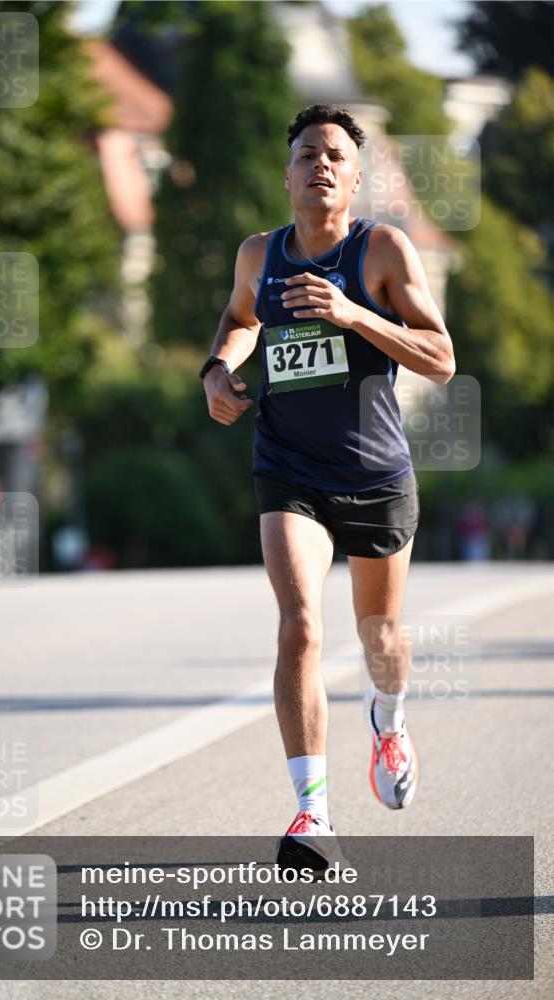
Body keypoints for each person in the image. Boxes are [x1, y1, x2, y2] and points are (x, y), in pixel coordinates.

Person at [200, 104, 455, 873]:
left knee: (380, 637)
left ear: (354, 176)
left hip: (374, 473)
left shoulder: (380, 249)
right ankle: (311, 812)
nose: (319, 164)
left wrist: (352, 313)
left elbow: (440, 356)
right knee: (301, 625)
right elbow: (239, 318)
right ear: (286, 176)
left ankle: (388, 717)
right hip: (289, 469)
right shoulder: (259, 254)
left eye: (334, 156)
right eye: (306, 153)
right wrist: (217, 369)